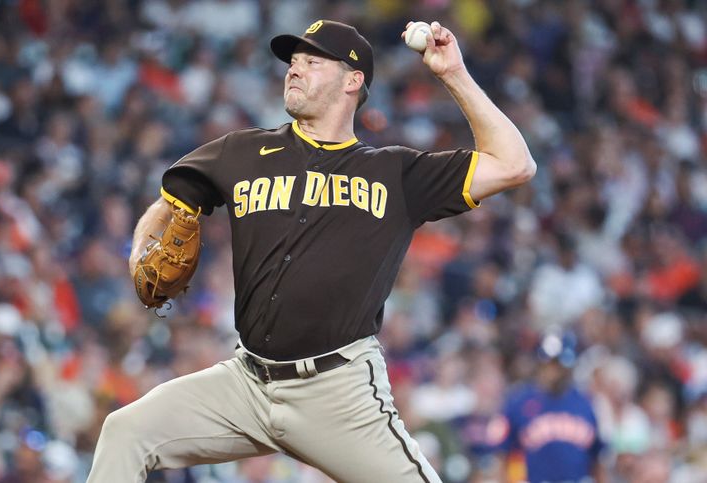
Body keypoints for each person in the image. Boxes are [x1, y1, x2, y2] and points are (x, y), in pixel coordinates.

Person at [88, 19, 535, 483]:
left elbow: (514, 164)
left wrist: (453, 74)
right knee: (125, 431)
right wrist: (141, 251)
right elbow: (168, 205)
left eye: (312, 61)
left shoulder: (395, 173)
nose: (295, 70)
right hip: (246, 383)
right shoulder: (242, 152)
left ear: (352, 81)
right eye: (293, 61)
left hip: (337, 392)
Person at [496, 333, 606, 483]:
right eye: (550, 364)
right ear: (540, 364)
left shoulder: (586, 402)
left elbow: (598, 458)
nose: (555, 371)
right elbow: (503, 455)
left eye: (559, 365)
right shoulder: (518, 402)